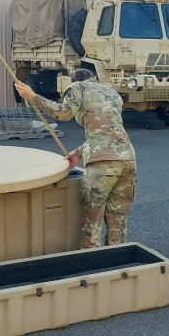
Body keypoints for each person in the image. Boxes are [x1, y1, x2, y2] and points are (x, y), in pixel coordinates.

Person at [15, 69, 136, 249]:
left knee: (92, 220)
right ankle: (117, 264)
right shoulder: (112, 93)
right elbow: (109, 133)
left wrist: (33, 96)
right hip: (128, 160)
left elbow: (63, 113)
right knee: (117, 218)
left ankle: (92, 266)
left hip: (102, 163)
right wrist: (78, 152)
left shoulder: (78, 87)